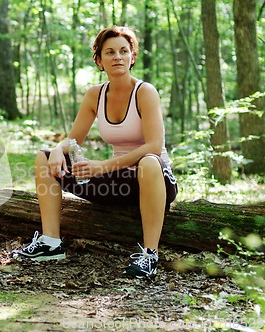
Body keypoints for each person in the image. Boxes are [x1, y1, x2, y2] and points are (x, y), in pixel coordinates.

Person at [11, 26, 178, 279]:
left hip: (155, 180)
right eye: (110, 52)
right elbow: (74, 139)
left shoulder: (145, 92)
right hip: (117, 183)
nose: (117, 57)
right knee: (43, 156)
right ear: (100, 60)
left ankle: (149, 256)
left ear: (133, 57)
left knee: (149, 161)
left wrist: (103, 166)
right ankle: (50, 243)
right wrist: (58, 149)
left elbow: (154, 147)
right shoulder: (94, 95)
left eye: (124, 51)